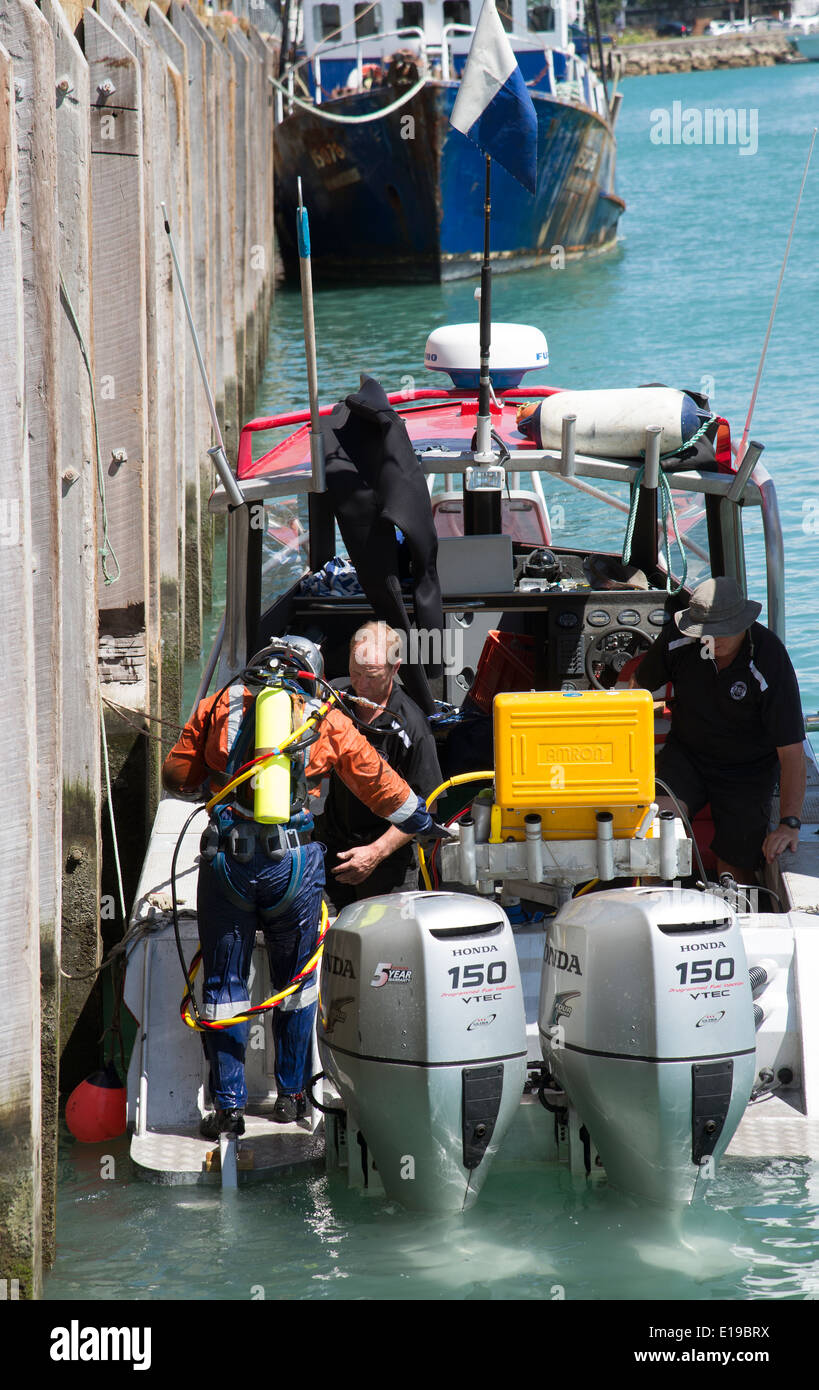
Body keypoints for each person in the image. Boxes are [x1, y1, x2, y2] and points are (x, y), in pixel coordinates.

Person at [162, 636, 436, 1137]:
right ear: (311, 672)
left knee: (224, 986)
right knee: (294, 983)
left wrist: (214, 773)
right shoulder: (325, 719)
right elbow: (381, 787)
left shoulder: (218, 704)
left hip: (227, 864)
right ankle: (290, 1097)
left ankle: (227, 1108)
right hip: (293, 867)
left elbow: (176, 776)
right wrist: (421, 820)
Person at [633, 576, 805, 884]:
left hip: (747, 769)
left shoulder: (769, 657)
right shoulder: (678, 640)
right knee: (656, 829)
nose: (713, 639)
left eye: (724, 631)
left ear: (744, 622)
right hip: (687, 755)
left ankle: (735, 912)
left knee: (733, 864)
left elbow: (791, 751)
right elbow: (635, 690)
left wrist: (789, 823)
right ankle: (655, 904)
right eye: (705, 631)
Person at [314, 621, 443, 912]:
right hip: (332, 850)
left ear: (394, 669)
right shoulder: (334, 701)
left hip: (386, 861)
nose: (361, 683)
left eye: (371, 675)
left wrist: (375, 853)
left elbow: (428, 808)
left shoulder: (412, 726)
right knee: (327, 942)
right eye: (355, 672)